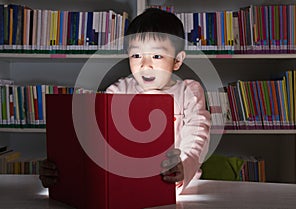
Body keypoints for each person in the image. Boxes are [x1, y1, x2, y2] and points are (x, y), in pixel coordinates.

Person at [39, 8, 211, 194]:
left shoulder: (189, 92)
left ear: (177, 60)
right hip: (126, 187)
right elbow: (97, 139)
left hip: (179, 188)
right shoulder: (118, 91)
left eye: (157, 56)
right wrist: (62, 169)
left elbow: (197, 137)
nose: (145, 64)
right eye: (136, 55)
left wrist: (182, 168)